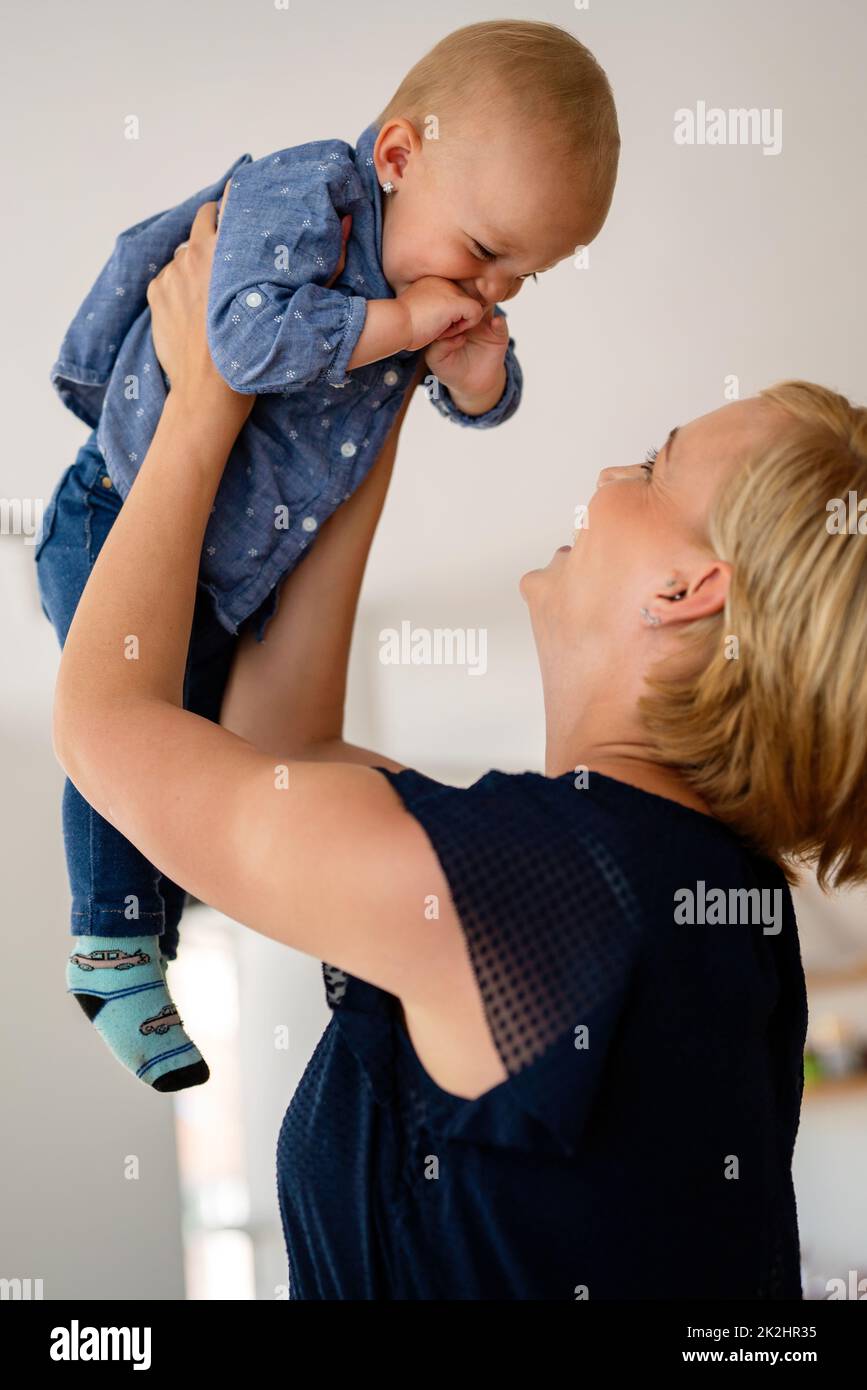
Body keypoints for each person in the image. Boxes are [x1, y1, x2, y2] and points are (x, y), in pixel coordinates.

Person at [50, 193, 867, 1299]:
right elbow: (280, 744)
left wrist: (205, 402)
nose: (607, 481)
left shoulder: (558, 890)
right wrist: (377, 391)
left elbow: (109, 728)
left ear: (687, 589)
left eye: (653, 465)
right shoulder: (683, 892)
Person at [38, 18, 620, 1089]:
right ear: (398, 157)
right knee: (133, 730)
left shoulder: (416, 294)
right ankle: (113, 947)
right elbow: (242, 340)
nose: (494, 291)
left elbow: (472, 400)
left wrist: (478, 374)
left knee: (203, 753)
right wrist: (403, 324)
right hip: (115, 515)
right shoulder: (309, 201)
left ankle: (157, 921)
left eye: (524, 277)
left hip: (221, 574)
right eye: (489, 255)